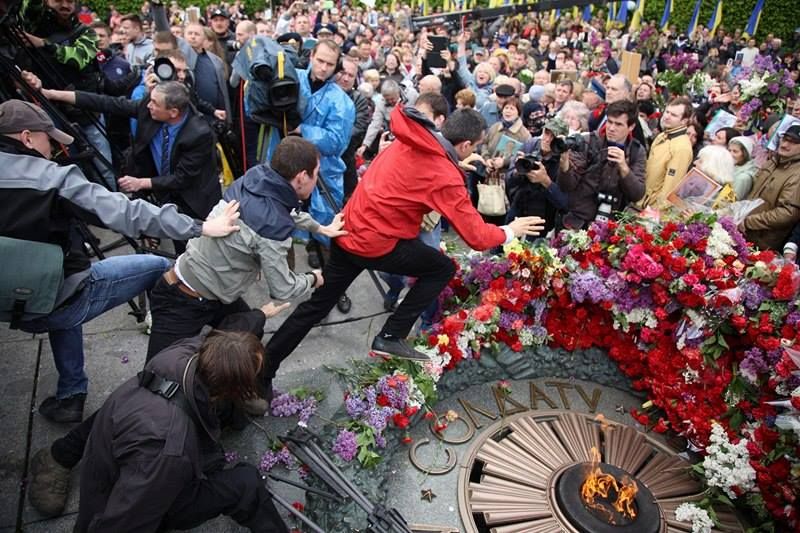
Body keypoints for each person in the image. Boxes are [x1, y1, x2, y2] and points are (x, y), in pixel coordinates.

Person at [261, 107, 545, 396]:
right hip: (374, 243)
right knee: (442, 268)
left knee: (314, 308)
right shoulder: (444, 173)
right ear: (465, 146)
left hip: (348, 231)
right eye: (477, 145)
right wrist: (512, 229)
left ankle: (262, 372)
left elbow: (418, 175)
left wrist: (455, 166)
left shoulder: (411, 139)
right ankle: (390, 335)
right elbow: (477, 237)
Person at [0, 99, 240, 423]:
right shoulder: (50, 178)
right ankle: (168, 369)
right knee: (157, 266)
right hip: (57, 299)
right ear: (27, 138)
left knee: (56, 288)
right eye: (48, 138)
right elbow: (124, 212)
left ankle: (71, 393)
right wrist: (200, 226)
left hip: (14, 301)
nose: (53, 146)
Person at [32, 328, 290, 532]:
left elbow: (229, 332)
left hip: (121, 452)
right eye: (247, 381)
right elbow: (122, 522)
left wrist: (258, 317)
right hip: (122, 498)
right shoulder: (168, 451)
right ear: (226, 390)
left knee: (213, 456)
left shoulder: (184, 353)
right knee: (247, 483)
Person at [146, 136, 346, 366]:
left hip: (212, 289)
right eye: (316, 173)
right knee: (159, 374)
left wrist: (321, 228)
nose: (317, 180)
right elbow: (283, 288)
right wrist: (313, 278)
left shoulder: (257, 177)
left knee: (248, 337)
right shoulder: (273, 228)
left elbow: (288, 211)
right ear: (302, 177)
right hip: (182, 299)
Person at [37, 80, 222, 254]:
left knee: (200, 248)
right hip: (165, 194)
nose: (149, 105)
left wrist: (140, 183)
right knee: (178, 243)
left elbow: (182, 178)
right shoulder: (148, 109)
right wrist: (51, 94)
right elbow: (106, 103)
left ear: (173, 112)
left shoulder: (199, 134)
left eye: (155, 103)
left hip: (193, 199)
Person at [559, 100, 647, 228]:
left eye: (618, 124)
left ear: (631, 127)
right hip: (578, 222)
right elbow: (566, 186)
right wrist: (564, 164)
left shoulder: (636, 151)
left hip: (610, 227)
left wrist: (623, 167)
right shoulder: (588, 141)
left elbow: (637, 194)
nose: (611, 128)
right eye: (610, 122)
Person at [743, 125, 800, 251]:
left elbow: (788, 213)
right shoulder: (773, 161)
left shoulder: (797, 174)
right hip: (744, 232)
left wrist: (749, 222)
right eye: (785, 139)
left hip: (762, 243)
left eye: (793, 143)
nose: (785, 145)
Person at [640, 97, 694, 208]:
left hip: (652, 208)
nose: (667, 116)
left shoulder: (682, 148)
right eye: (667, 112)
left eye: (673, 115)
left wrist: (656, 212)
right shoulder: (662, 135)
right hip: (642, 199)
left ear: (684, 121)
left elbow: (671, 187)